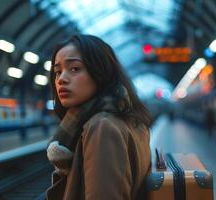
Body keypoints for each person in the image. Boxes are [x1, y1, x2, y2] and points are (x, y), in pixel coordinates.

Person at [45, 34, 152, 200]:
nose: (61, 79)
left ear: (100, 71)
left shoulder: (102, 127)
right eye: (58, 72)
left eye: (74, 68)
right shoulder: (129, 119)